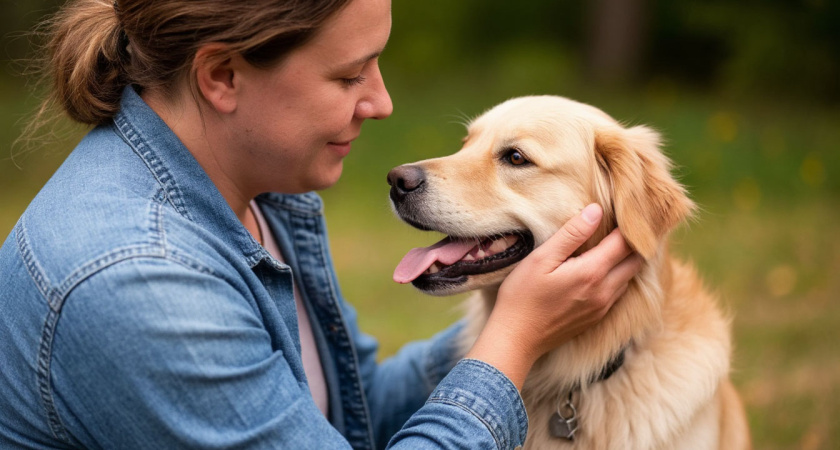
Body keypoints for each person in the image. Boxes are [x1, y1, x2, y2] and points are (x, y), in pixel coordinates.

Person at [0, 0, 643, 448]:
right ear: (223, 76)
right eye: (348, 75)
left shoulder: (257, 190)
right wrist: (513, 340)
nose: (382, 102)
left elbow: (347, 408)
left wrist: (533, 321)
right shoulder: (140, 283)